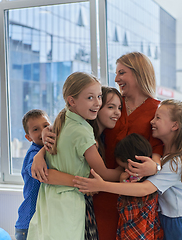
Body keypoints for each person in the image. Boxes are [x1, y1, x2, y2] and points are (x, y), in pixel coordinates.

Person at [74, 99, 182, 240]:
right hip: (164, 219)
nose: (152, 121)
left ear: (174, 125)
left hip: (178, 224)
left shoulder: (176, 162)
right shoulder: (163, 156)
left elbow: (145, 189)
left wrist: (101, 185)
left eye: (158, 118)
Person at [27, 72, 123, 240]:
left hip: (49, 200)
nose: (97, 103)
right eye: (90, 98)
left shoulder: (63, 118)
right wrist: (126, 171)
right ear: (72, 101)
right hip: (68, 203)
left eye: (99, 97)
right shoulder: (82, 130)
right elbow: (104, 174)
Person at [93, 51, 164, 240]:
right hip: (102, 190)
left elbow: (160, 147)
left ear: (138, 72)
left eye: (121, 72)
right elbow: (80, 127)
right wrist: (41, 151)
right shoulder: (111, 103)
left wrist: (154, 166)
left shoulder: (158, 109)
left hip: (136, 197)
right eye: (116, 73)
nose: (116, 78)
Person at [113, 133, 164, 240]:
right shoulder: (152, 181)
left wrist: (122, 183)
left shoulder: (136, 187)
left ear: (133, 164)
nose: (124, 172)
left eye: (124, 168)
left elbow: (126, 214)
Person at [14, 109, 51, 240]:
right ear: (29, 137)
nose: (42, 131)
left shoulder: (47, 149)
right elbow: (37, 171)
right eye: (36, 129)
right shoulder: (33, 154)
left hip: (39, 223)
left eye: (46, 126)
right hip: (27, 225)